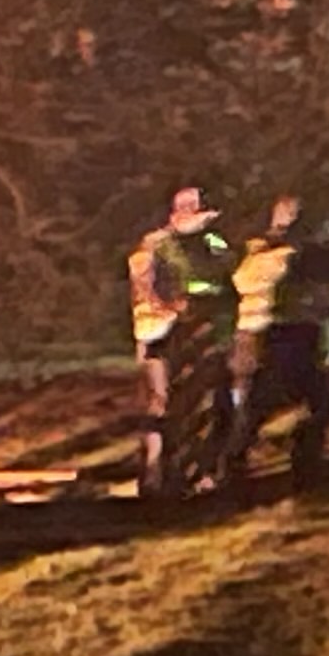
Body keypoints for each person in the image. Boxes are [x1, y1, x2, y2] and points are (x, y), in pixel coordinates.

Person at [215, 194, 329, 490]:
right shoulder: (270, 254)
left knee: (307, 402)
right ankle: (242, 465)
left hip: (282, 330)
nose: (289, 217)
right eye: (285, 212)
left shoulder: (275, 253)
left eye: (294, 212)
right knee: (262, 402)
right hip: (268, 332)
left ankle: (296, 463)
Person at [125, 184, 233, 498]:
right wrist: (171, 307)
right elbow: (145, 285)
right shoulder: (156, 245)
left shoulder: (206, 243)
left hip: (191, 331)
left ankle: (191, 471)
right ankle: (155, 475)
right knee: (160, 404)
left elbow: (224, 267)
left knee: (195, 402)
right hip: (159, 332)